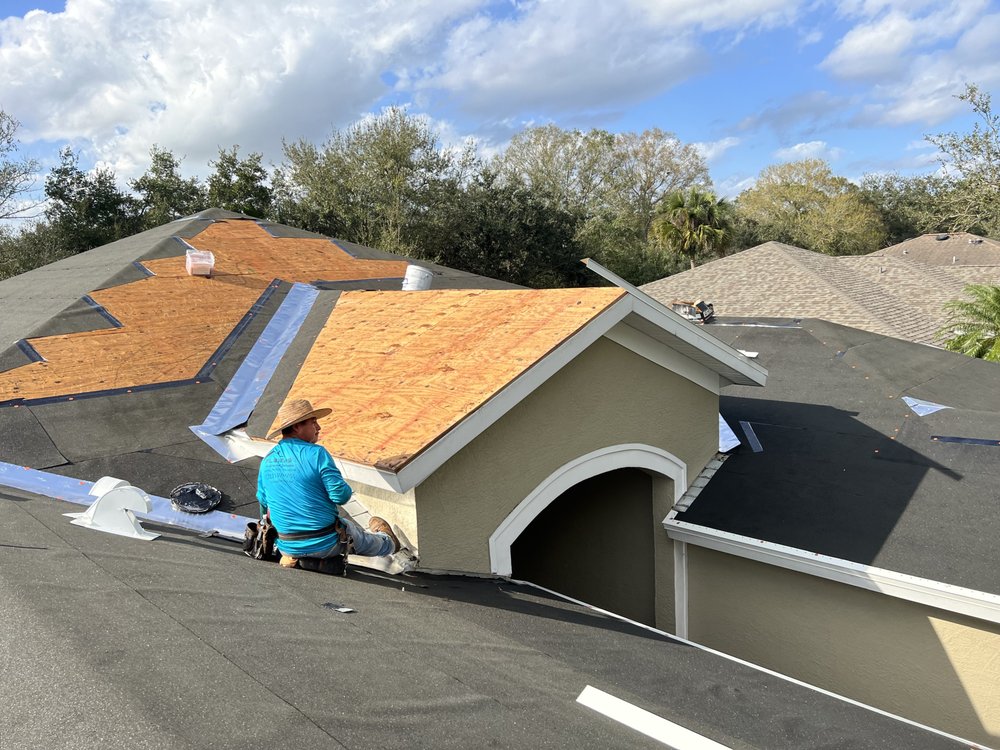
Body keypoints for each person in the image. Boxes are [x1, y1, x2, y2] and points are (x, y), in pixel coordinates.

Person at [257, 398, 399, 573]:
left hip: (286, 546)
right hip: (326, 543)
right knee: (354, 532)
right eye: (313, 422)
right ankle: (389, 543)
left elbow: (264, 508)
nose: (318, 428)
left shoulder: (267, 460)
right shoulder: (317, 454)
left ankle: (299, 557)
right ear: (296, 427)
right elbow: (341, 496)